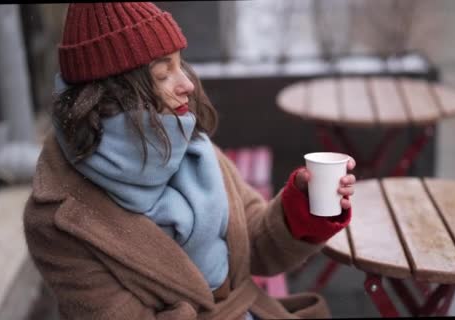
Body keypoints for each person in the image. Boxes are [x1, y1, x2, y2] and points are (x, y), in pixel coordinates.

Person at [23, 2, 356, 319]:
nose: (187, 84)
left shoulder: (187, 144)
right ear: (112, 93)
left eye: (180, 63)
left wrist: (305, 207)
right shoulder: (59, 220)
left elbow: (254, 245)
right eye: (163, 73)